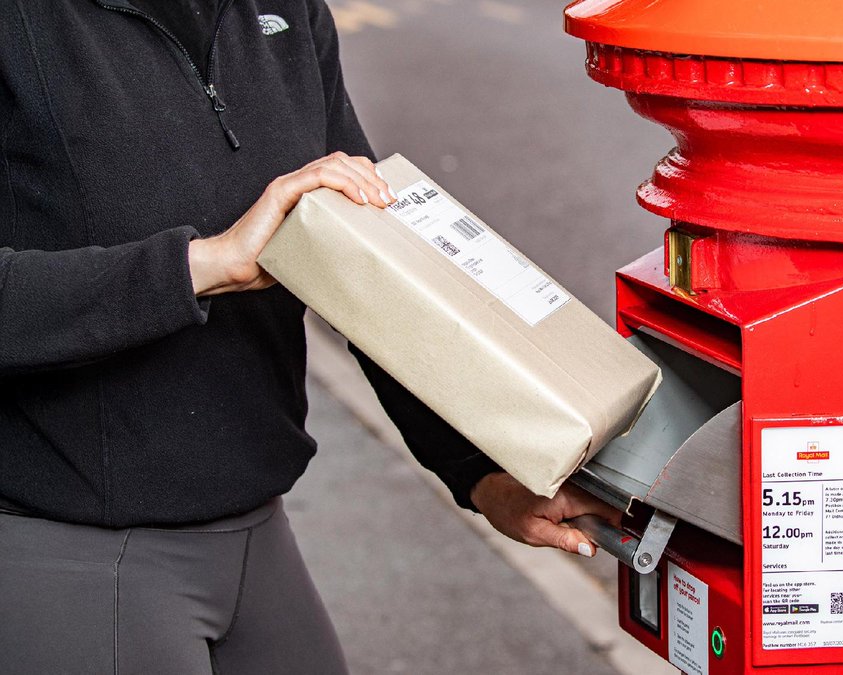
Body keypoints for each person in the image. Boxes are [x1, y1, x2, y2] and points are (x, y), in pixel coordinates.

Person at [0, 1, 619, 672]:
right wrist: (200, 266)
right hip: (79, 546)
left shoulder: (285, 11)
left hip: (256, 526)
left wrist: (481, 473)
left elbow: (367, 266)